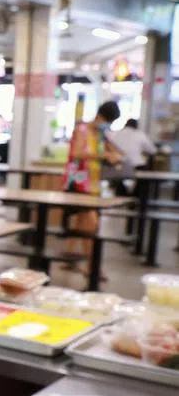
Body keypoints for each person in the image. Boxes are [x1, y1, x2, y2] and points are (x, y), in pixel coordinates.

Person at [62, 100, 123, 277]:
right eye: (107, 121)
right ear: (100, 116)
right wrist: (103, 154)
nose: (107, 125)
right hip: (78, 182)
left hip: (92, 183)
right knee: (90, 224)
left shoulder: (100, 134)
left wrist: (112, 154)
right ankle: (92, 267)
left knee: (81, 223)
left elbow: (112, 151)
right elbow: (77, 153)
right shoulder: (82, 129)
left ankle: (69, 259)